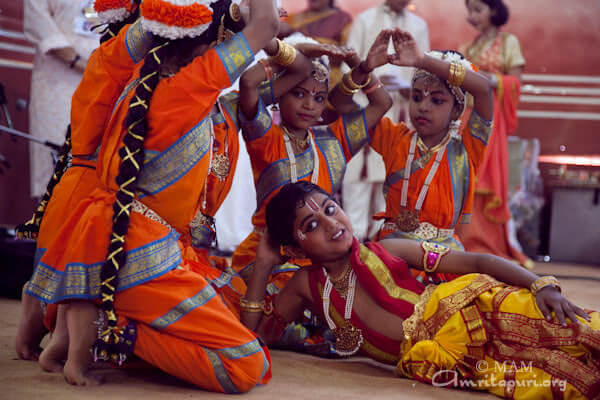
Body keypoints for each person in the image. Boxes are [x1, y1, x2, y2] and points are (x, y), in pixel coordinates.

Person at [22, 0, 280, 391]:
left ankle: (92, 332)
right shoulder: (187, 91)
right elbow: (268, 24)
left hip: (127, 238)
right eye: (216, 49)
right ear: (196, 55)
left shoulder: (128, 78)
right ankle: (117, 331)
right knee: (246, 366)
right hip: (144, 253)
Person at [242, 181, 600, 399]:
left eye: (331, 209)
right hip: (447, 359)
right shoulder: (306, 286)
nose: (332, 224)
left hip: (474, 310)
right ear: (296, 249)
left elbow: (476, 262)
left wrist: (540, 284)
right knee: (551, 376)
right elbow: (254, 337)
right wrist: (263, 265)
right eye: (312, 224)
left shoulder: (390, 249)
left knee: (576, 331)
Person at [15, 0, 145, 363]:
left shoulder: (112, 59)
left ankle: (37, 315)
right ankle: (60, 341)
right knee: (75, 235)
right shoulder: (119, 59)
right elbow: (41, 25)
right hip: (67, 78)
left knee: (63, 207)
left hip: (98, 83)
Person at [231, 30, 395, 295]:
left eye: (319, 97)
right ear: (279, 96)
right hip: (269, 255)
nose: (309, 105)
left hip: (323, 255)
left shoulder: (334, 141)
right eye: (298, 94)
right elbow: (249, 84)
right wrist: (303, 55)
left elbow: (382, 102)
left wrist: (361, 66)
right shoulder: (265, 137)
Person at [331, 30, 492, 284]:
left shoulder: (468, 149)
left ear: (456, 110)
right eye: (416, 97)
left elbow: (483, 90)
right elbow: (340, 104)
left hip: (445, 258)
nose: (423, 107)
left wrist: (422, 61)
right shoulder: (394, 138)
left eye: (437, 100)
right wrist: (363, 68)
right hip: (392, 255)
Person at [342, 0, 430, 241]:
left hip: (402, 112)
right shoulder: (365, 19)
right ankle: (352, 240)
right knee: (357, 176)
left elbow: (425, 70)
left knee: (392, 177)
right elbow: (346, 64)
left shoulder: (418, 25)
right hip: (365, 107)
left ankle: (381, 244)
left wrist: (408, 87)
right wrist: (369, 83)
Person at [457, 0, 531, 268]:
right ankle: (462, 244)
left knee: (485, 177)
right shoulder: (469, 47)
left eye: (478, 9)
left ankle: (487, 245)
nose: (472, 16)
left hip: (491, 120)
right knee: (465, 175)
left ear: (495, 11)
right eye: (470, 10)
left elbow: (515, 83)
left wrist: (490, 80)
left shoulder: (509, 42)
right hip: (465, 117)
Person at [23, 0, 100, 200]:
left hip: (104, 77)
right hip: (57, 79)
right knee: (56, 158)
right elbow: (38, 21)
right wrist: (77, 61)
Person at [278, 0, 352, 83]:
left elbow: (346, 54)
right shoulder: (293, 18)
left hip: (328, 80)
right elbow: (280, 49)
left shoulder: (343, 19)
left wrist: (319, 52)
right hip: (294, 77)